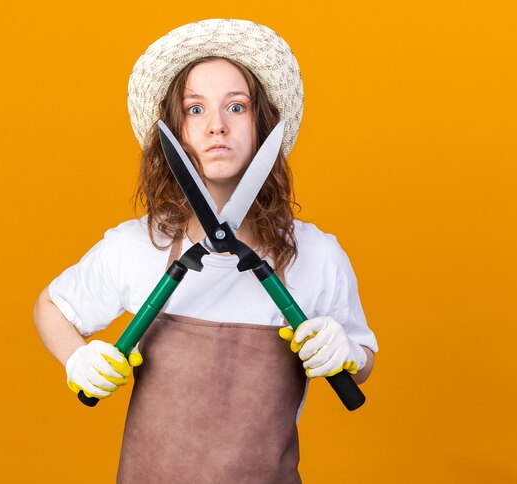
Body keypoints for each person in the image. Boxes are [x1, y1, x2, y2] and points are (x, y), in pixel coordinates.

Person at [34, 19, 378, 483]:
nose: (217, 126)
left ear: (263, 125)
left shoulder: (317, 254)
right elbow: (51, 307)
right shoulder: (136, 247)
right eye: (195, 110)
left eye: (237, 106)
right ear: (174, 133)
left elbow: (362, 362)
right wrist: (78, 358)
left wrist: (348, 355)